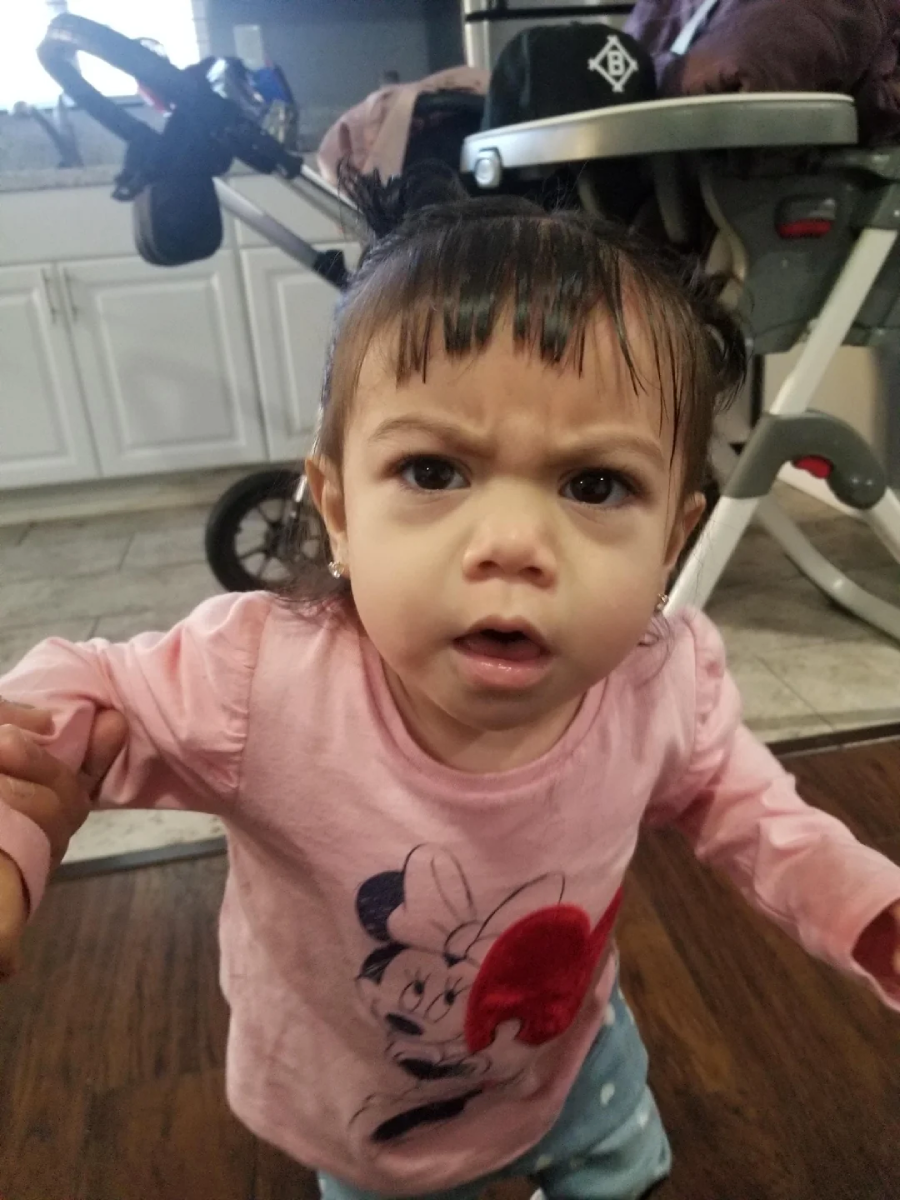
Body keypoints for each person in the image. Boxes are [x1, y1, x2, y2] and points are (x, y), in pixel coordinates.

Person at [0, 171, 898, 1200]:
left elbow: (754, 814)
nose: (512, 544)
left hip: (571, 1061)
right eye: (434, 472)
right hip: (371, 1112)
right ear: (335, 507)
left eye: (595, 485)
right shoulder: (260, 684)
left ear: (672, 539)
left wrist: (870, 908)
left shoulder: (665, 680)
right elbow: (71, 693)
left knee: (625, 1174)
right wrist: (19, 811)